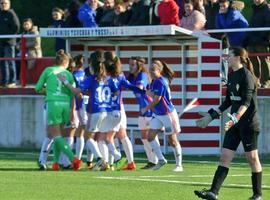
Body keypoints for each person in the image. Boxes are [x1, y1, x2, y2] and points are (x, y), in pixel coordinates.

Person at [194, 47, 263, 200]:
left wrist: (235, 117)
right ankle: (213, 192)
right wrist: (211, 116)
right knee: (225, 156)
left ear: (238, 57)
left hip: (249, 124)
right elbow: (228, 101)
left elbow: (246, 102)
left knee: (252, 159)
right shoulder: (231, 76)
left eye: (229, 55)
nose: (226, 58)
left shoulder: (247, 76)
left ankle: (258, 195)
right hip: (235, 123)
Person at [35, 50, 81, 171]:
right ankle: (55, 163)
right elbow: (72, 93)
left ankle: (73, 159)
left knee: (55, 135)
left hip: (53, 104)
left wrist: (48, 90)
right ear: (65, 62)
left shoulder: (48, 70)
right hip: (65, 105)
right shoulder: (69, 74)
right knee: (59, 135)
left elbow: (37, 88)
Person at [141, 60, 183, 172]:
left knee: (172, 140)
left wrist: (146, 108)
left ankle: (179, 165)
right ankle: (161, 160)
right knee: (150, 136)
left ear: (159, 71)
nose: (151, 72)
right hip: (158, 114)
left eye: (153, 70)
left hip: (168, 114)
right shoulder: (154, 82)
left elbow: (156, 100)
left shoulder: (160, 81)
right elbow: (150, 93)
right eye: (150, 69)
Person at [104, 51, 139, 170]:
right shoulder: (120, 74)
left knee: (108, 136)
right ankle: (131, 162)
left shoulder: (105, 76)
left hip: (111, 109)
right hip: (121, 108)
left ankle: (110, 163)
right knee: (122, 135)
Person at [128, 57, 158, 169]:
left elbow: (140, 87)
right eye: (129, 65)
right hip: (142, 111)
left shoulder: (142, 76)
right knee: (144, 137)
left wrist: (127, 85)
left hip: (150, 110)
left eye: (132, 65)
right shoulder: (133, 77)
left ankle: (157, 160)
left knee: (151, 136)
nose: (130, 67)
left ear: (138, 66)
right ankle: (151, 161)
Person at [245, 0, 270, 88]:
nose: (256, 0)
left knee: (264, 61)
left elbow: (268, 24)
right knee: (253, 61)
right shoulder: (254, 8)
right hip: (252, 41)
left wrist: (260, 37)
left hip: (262, 41)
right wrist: (249, 38)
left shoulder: (267, 8)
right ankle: (256, 80)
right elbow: (252, 24)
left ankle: (266, 81)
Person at [0, 0, 20, 87]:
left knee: (10, 61)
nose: (3, 5)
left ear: (9, 4)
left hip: (9, 43)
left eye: (5, 3)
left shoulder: (11, 14)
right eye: (1, 3)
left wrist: (8, 37)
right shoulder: (0, 14)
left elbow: (16, 27)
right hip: (1, 42)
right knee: (2, 62)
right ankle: (5, 81)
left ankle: (12, 81)